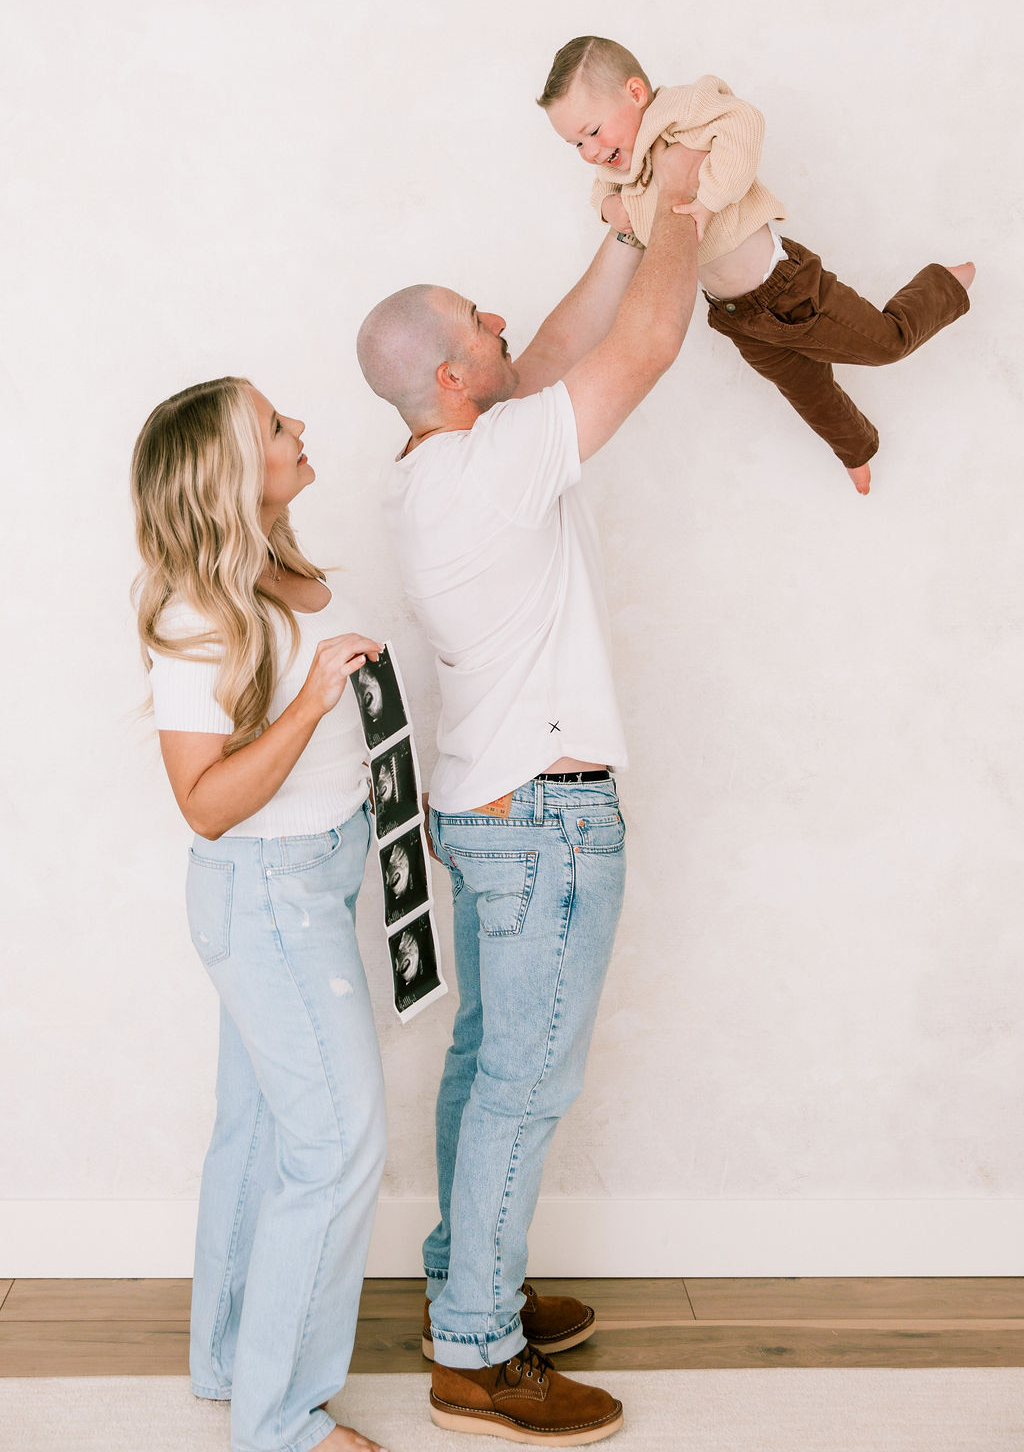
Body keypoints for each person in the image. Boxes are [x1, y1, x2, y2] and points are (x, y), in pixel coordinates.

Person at [355, 140, 702, 1444]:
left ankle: (465, 1280)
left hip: (491, 813)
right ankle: (476, 1354)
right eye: (477, 322)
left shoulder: (445, 466)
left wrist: (613, 236)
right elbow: (650, 345)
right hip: (545, 821)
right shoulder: (495, 465)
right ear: (451, 377)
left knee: (482, 1070)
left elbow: (550, 353)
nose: (501, 318)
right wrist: (676, 210)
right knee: (522, 1088)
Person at [130, 377, 390, 1452]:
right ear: (239, 472)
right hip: (270, 893)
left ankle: (233, 1363)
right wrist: (311, 703)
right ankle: (279, 1425)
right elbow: (205, 805)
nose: (300, 431)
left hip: (318, 873)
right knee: (335, 1148)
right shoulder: (196, 612)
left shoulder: (275, 570)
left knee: (263, 1134)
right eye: (278, 428)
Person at [539, 35, 975, 495]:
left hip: (786, 288)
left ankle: (946, 283)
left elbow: (744, 123)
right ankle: (857, 452)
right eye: (576, 145)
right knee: (808, 390)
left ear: (635, 94)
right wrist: (610, 209)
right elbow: (600, 191)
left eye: (592, 131)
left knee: (885, 345)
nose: (590, 151)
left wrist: (709, 200)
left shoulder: (680, 114)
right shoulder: (618, 166)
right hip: (736, 317)